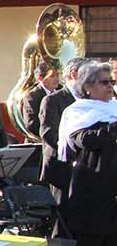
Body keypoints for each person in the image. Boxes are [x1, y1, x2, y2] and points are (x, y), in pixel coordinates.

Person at [58, 60, 117, 246]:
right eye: (105, 82)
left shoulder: (113, 109)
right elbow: (82, 140)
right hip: (91, 191)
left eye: (112, 82)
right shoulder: (79, 111)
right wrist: (111, 129)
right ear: (88, 86)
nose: (110, 87)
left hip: (113, 191)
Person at [41, 58, 88, 207]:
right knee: (63, 216)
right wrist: (78, 149)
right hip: (61, 168)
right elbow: (49, 134)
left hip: (84, 167)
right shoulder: (52, 100)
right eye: (87, 75)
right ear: (74, 75)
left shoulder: (88, 99)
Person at [19, 61, 61, 141]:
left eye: (57, 75)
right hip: (39, 142)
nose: (56, 79)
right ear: (40, 79)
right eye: (52, 76)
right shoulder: (31, 96)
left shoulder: (62, 91)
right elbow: (31, 124)